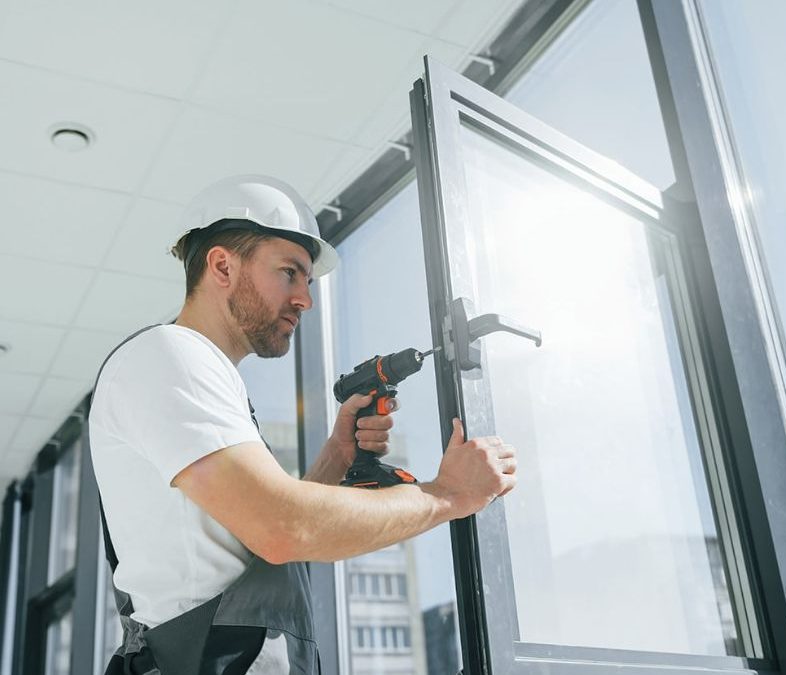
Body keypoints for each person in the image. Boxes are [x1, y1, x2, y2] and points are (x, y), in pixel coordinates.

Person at [89, 174, 517, 675]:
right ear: (222, 265)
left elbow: (260, 551)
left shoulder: (206, 376)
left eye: (308, 283)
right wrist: (450, 495)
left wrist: (338, 454)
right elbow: (281, 528)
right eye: (289, 273)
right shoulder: (170, 355)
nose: (305, 300)